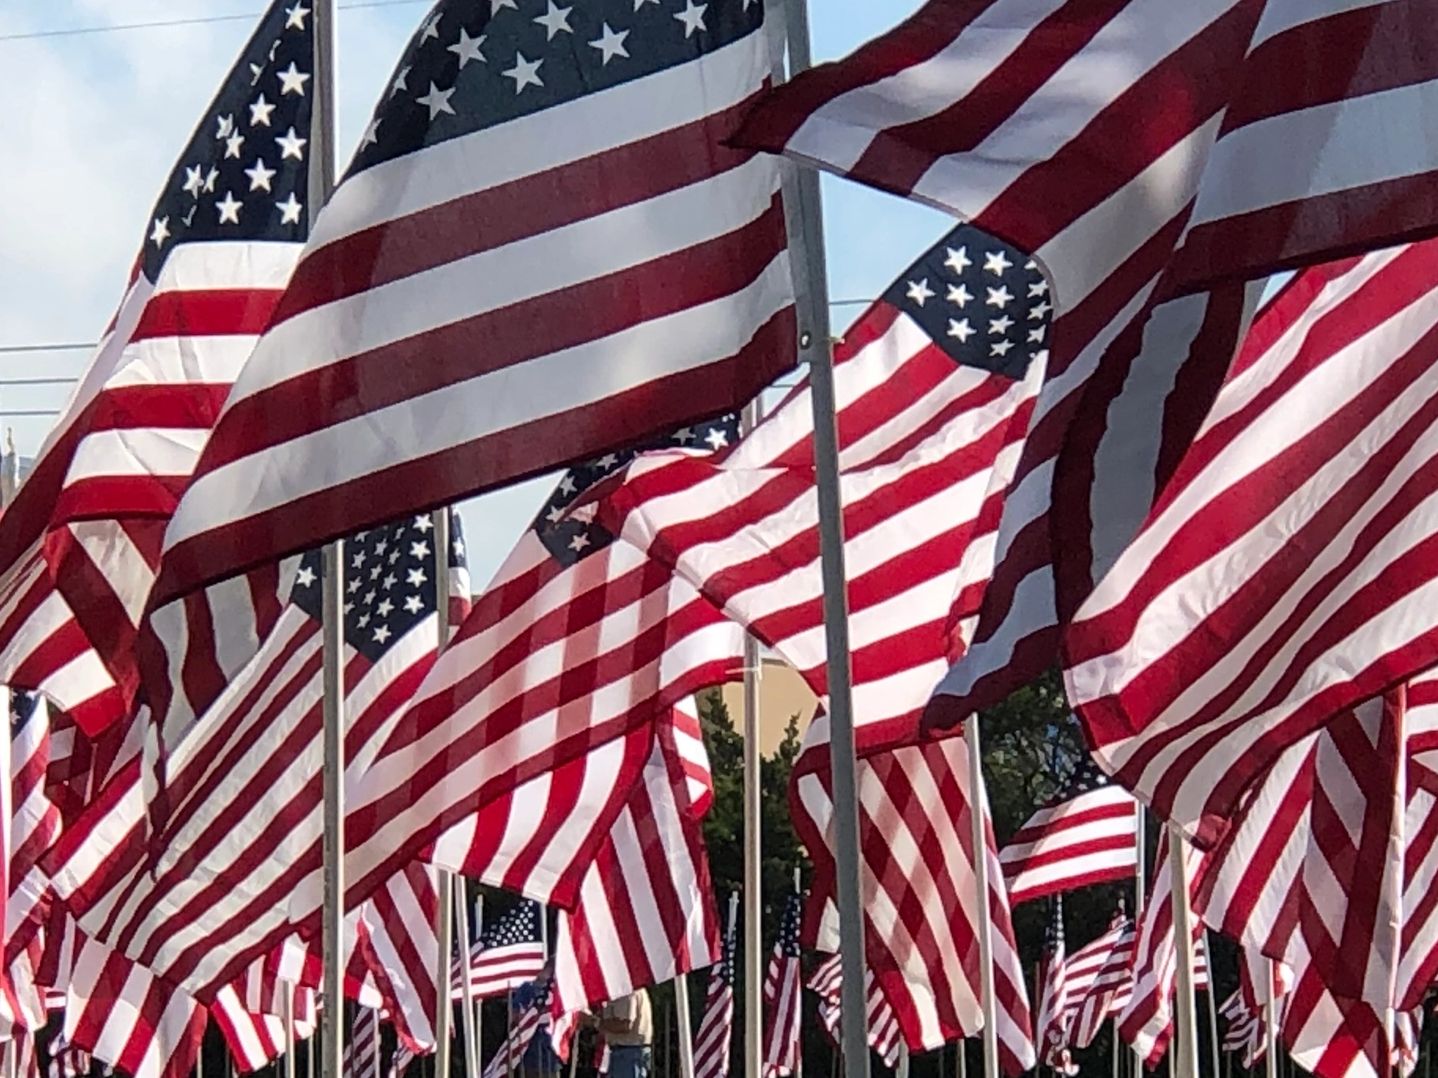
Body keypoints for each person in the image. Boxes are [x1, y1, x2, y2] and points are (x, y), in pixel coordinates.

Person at [594, 990, 652, 1078]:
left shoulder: (626, 991)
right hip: (625, 1052)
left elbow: (625, 1025)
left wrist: (596, 1022)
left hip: (628, 1054)